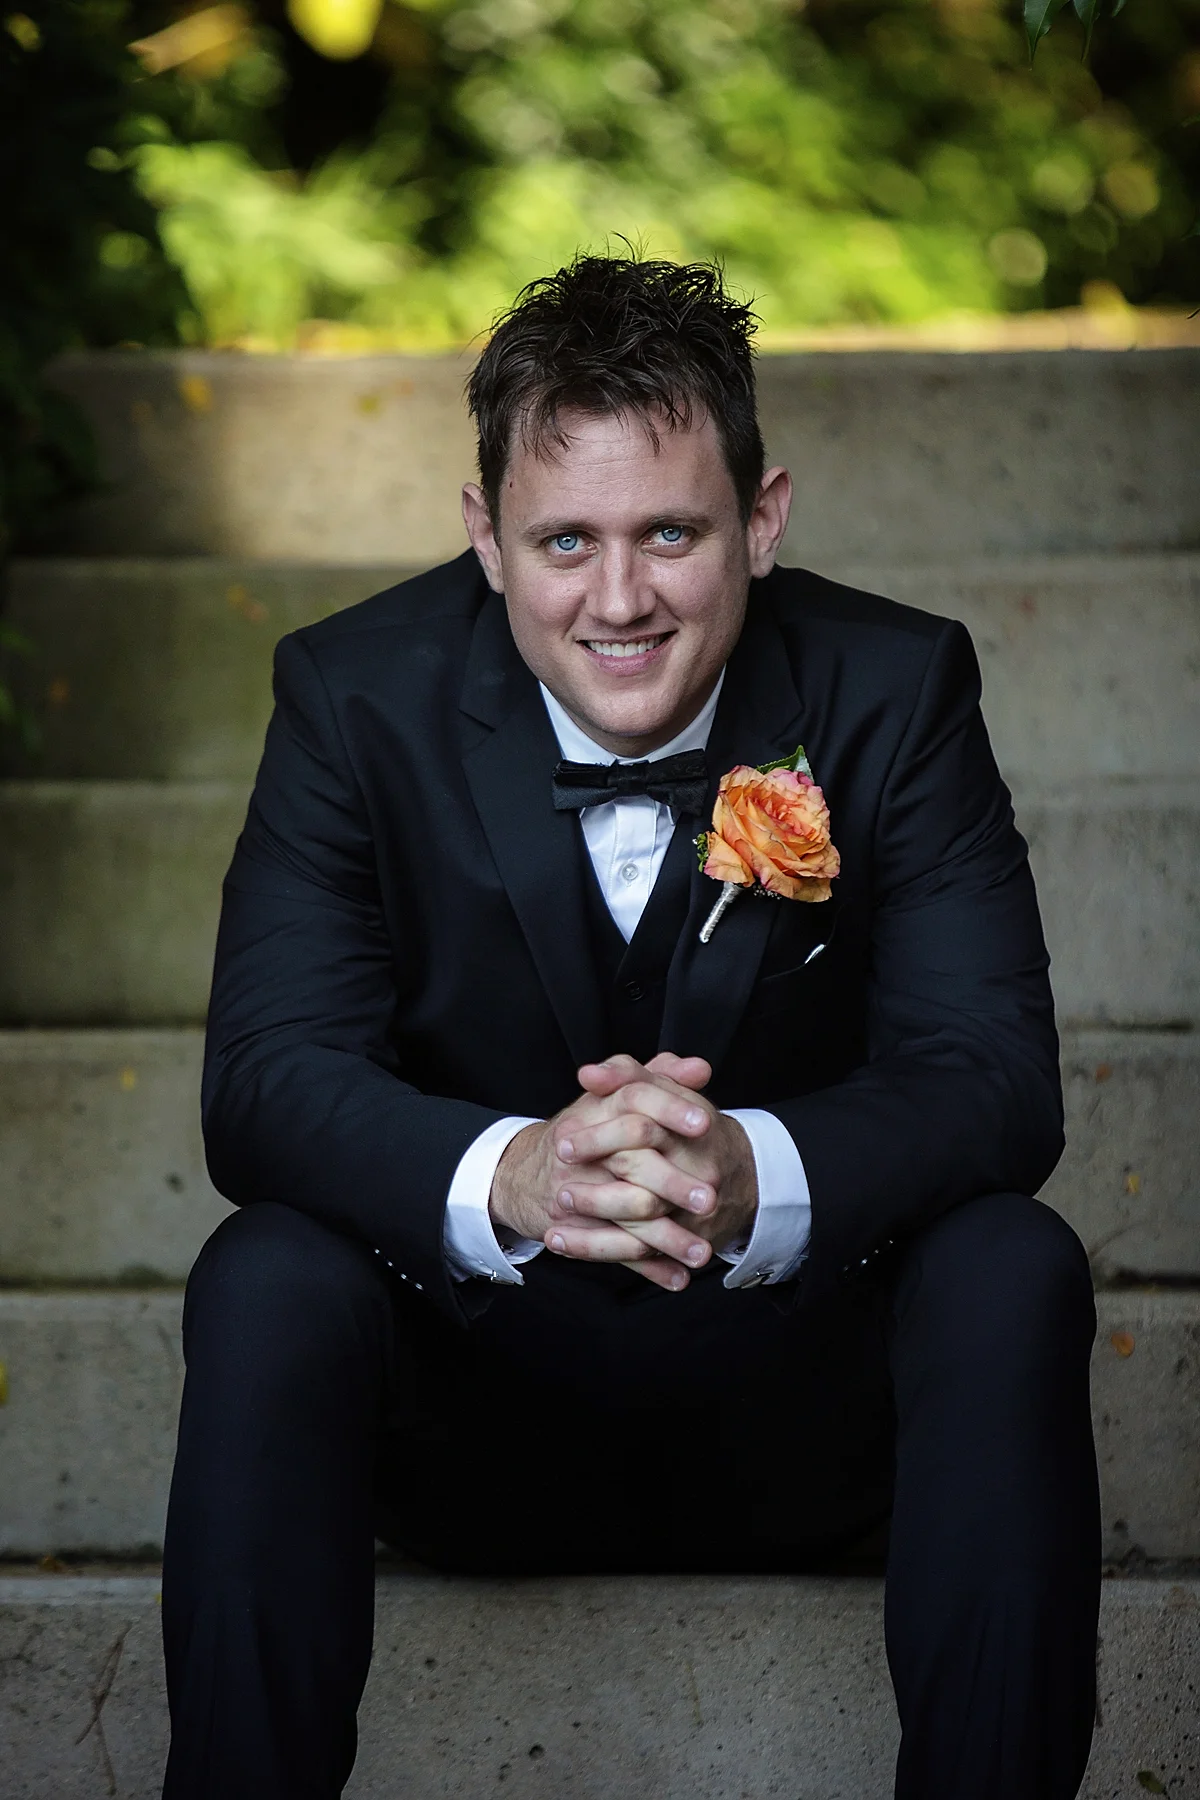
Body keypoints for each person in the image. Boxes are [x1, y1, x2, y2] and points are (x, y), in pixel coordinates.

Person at [161, 254, 1101, 1800]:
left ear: (763, 519)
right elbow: (264, 1083)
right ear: (485, 534)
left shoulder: (896, 685)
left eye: (671, 532)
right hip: (474, 1423)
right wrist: (517, 1175)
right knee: (263, 1273)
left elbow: (995, 1078)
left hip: (810, 1420)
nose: (619, 601)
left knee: (1013, 1260)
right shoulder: (352, 696)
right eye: (564, 541)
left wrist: (752, 1172)